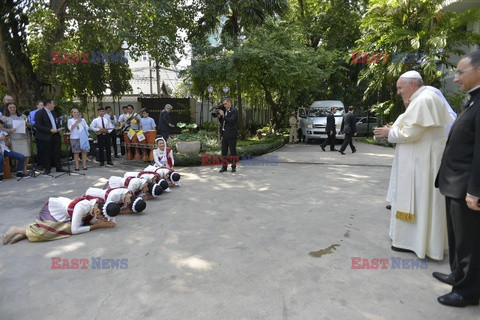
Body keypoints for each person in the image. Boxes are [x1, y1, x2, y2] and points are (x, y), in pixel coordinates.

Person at [373, 70, 452, 260]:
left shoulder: (425, 100)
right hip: (418, 159)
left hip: (422, 164)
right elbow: (414, 129)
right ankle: (409, 241)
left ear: (412, 85)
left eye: (400, 87)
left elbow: (411, 134)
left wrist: (388, 133)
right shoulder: (422, 98)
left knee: (420, 200)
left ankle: (415, 243)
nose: (398, 92)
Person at [434, 50, 480, 307]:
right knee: (457, 238)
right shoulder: (473, 99)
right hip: (454, 184)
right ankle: (457, 275)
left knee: (470, 242)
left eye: (460, 72)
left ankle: (468, 291)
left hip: (467, 188)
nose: (455, 78)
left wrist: (476, 190)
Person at [2, 196, 120, 245]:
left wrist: (106, 222)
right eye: (101, 217)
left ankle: (25, 233)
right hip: (53, 212)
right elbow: (74, 230)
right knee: (50, 233)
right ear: (98, 212)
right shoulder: (83, 207)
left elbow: (97, 218)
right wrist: (97, 226)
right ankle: (16, 229)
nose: (100, 219)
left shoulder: (97, 205)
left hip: (67, 216)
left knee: (64, 229)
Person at [34, 99, 65, 175]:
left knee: (57, 151)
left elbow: (54, 123)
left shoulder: (53, 113)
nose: (54, 105)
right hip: (46, 136)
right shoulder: (39, 113)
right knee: (47, 152)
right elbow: (38, 126)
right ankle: (47, 168)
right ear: (48, 104)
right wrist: (50, 130)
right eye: (53, 104)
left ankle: (59, 167)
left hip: (55, 135)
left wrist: (58, 128)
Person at [1, 102, 32, 174]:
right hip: (13, 139)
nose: (12, 109)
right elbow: (1, 128)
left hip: (24, 138)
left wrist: (26, 124)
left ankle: (25, 170)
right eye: (10, 107)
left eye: (14, 107)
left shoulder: (22, 116)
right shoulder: (4, 117)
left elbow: (30, 125)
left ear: (16, 108)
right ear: (7, 108)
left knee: (26, 154)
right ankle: (19, 170)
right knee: (18, 155)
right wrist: (9, 130)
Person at [218, 97, 238, 173]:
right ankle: (224, 167)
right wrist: (220, 117)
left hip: (232, 134)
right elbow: (223, 122)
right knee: (224, 151)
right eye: (223, 104)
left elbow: (231, 120)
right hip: (224, 134)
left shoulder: (234, 110)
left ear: (229, 103)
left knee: (233, 151)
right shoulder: (224, 111)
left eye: (225, 104)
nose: (224, 105)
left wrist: (223, 115)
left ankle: (233, 167)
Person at [28, 100, 45, 168]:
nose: (42, 106)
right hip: (38, 131)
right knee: (40, 147)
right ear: (37, 105)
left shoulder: (46, 112)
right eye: (41, 105)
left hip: (46, 131)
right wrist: (38, 125)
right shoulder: (32, 113)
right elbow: (31, 121)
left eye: (43, 105)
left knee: (46, 147)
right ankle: (40, 164)